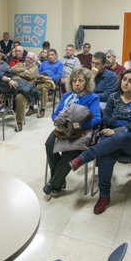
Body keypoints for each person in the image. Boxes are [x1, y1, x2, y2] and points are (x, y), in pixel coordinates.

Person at [69, 69, 131, 215]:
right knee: (107, 151)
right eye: (124, 79)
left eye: (130, 81)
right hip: (114, 137)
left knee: (122, 137)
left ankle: (84, 157)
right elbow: (106, 119)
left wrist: (118, 129)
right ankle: (104, 196)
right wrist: (125, 125)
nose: (126, 83)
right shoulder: (113, 97)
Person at [43, 68, 101, 197]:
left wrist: (77, 125)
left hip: (80, 133)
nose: (77, 83)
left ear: (87, 83)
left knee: (70, 152)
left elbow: (97, 120)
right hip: (62, 130)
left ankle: (54, 184)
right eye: (74, 80)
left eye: (81, 80)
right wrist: (60, 122)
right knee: (49, 145)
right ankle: (59, 180)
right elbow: (55, 114)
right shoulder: (67, 95)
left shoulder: (93, 97)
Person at [26, 49, 63, 118]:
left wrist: (49, 78)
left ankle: (41, 109)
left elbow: (59, 76)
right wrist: (40, 76)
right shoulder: (44, 63)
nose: (50, 56)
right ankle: (32, 108)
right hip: (41, 80)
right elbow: (39, 71)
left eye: (52, 55)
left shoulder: (59, 64)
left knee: (43, 89)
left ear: (56, 56)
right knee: (32, 86)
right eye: (49, 55)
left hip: (51, 82)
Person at [12, 52, 39, 131]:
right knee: (1, 92)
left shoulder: (35, 66)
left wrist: (18, 74)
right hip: (14, 85)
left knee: (19, 98)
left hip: (25, 88)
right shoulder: (20, 64)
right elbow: (12, 70)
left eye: (30, 59)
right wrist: (23, 70)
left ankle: (19, 122)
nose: (28, 60)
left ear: (33, 60)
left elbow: (29, 75)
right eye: (27, 57)